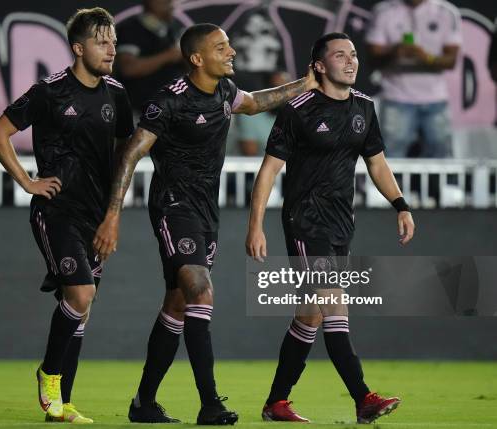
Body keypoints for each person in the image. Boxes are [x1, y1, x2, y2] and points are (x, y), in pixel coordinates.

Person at [93, 23, 318, 425]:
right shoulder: (169, 102)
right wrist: (113, 215)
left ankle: (143, 403)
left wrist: (306, 82)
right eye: (221, 47)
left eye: (229, 44)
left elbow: (256, 102)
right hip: (172, 206)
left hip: (205, 213)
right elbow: (130, 154)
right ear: (197, 59)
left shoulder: (227, 93)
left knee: (178, 303)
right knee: (200, 289)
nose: (231, 52)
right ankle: (210, 403)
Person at [246, 33, 415, 424]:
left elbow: (377, 164)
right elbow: (268, 171)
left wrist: (401, 205)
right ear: (319, 66)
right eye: (340, 55)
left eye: (354, 54)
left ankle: (276, 403)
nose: (351, 61)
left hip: (341, 223)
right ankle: (363, 398)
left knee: (311, 315)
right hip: (305, 221)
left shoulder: (365, 108)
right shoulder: (298, 109)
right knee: (334, 306)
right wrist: (255, 226)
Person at [0, 8, 133, 423]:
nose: (111, 50)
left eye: (114, 42)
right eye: (103, 42)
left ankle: (62, 403)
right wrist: (27, 181)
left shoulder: (117, 94)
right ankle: (49, 375)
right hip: (57, 211)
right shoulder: (50, 91)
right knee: (81, 295)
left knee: (81, 305)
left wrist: (114, 214)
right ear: (78, 47)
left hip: (97, 215)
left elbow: (125, 157)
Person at [365, 0, 461, 158]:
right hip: (396, 97)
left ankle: (439, 185)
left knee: (442, 160)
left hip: (435, 99)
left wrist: (426, 57)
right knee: (391, 160)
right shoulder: (383, 11)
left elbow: (451, 61)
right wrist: (394, 52)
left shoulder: (446, 12)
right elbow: (372, 58)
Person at [115, 0, 185, 112]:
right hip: (140, 113)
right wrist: (169, 55)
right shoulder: (131, 28)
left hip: (171, 113)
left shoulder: (173, 30)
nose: (170, 4)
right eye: (166, 1)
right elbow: (128, 68)